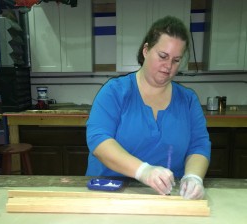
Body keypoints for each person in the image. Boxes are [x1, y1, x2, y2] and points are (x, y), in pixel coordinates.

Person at [85, 16, 211, 200]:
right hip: (110, 193)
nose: (168, 66)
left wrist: (193, 177)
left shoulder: (188, 100)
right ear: (146, 50)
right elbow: (98, 140)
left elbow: (199, 145)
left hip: (167, 196)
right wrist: (143, 171)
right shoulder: (115, 91)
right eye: (163, 56)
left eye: (176, 60)